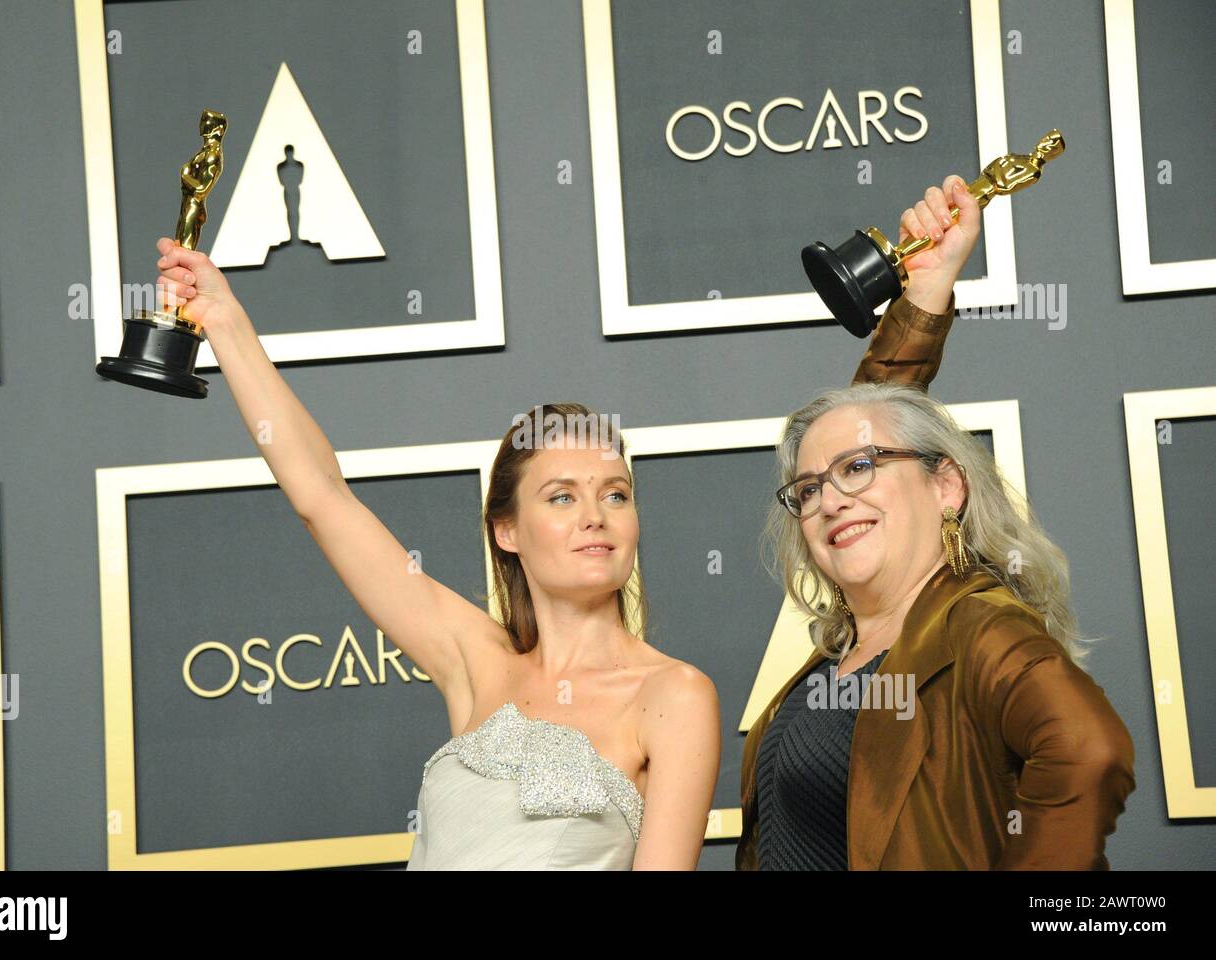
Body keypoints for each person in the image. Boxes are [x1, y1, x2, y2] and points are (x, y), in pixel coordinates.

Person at [150, 177, 970, 870]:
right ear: (504, 530)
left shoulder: (672, 695)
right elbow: (321, 495)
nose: (595, 516)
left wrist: (925, 298)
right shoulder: (469, 659)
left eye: (615, 493)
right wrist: (224, 322)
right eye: (560, 496)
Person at [737, 262, 1137, 867]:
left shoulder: (977, 625)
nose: (833, 499)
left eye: (858, 467)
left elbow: (1088, 749)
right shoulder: (835, 660)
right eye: (809, 489)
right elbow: (870, 417)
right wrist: (920, 302)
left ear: (945, 486)